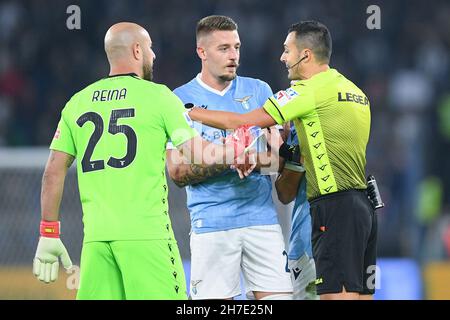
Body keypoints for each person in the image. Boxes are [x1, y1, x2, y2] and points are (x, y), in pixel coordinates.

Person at [32, 22, 250, 300]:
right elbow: (197, 152)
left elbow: (52, 171)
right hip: (147, 238)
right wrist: (235, 149)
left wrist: (49, 232)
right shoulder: (159, 97)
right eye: (149, 48)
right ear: (137, 51)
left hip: (97, 242)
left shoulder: (77, 102)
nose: (154, 55)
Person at [188, 21, 377, 300]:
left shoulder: (307, 91)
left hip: (333, 208)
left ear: (306, 55)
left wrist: (191, 112)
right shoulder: (356, 93)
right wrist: (289, 153)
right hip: (366, 208)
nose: (283, 58)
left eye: (287, 51)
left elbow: (241, 121)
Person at [166, 15, 293, 300]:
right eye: (224, 48)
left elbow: (279, 160)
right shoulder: (178, 99)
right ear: (202, 52)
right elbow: (176, 173)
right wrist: (230, 157)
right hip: (211, 224)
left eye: (236, 47)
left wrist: (246, 158)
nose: (234, 56)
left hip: (262, 220)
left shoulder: (259, 90)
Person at [272, 123, 317, 300]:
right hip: (355, 235)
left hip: (311, 240)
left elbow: (285, 193)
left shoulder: (305, 123)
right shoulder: (358, 112)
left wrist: (281, 148)